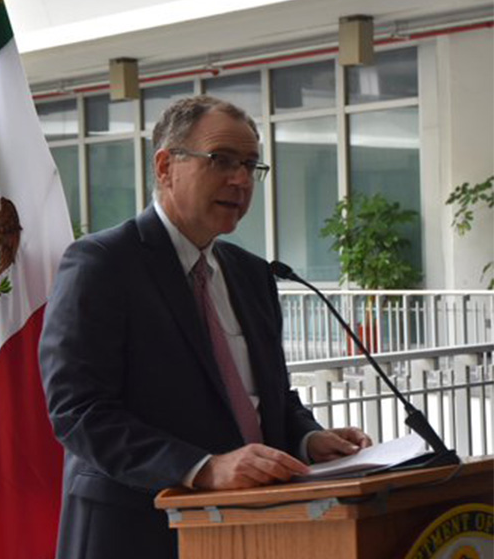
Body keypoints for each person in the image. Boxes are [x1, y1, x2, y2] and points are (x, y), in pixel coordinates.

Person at [39, 95, 372, 559]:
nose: (240, 179)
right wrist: (201, 467)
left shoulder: (253, 274)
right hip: (138, 531)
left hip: (255, 528)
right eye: (221, 160)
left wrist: (309, 438)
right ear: (165, 166)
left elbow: (269, 397)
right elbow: (79, 411)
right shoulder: (103, 264)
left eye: (251, 164)